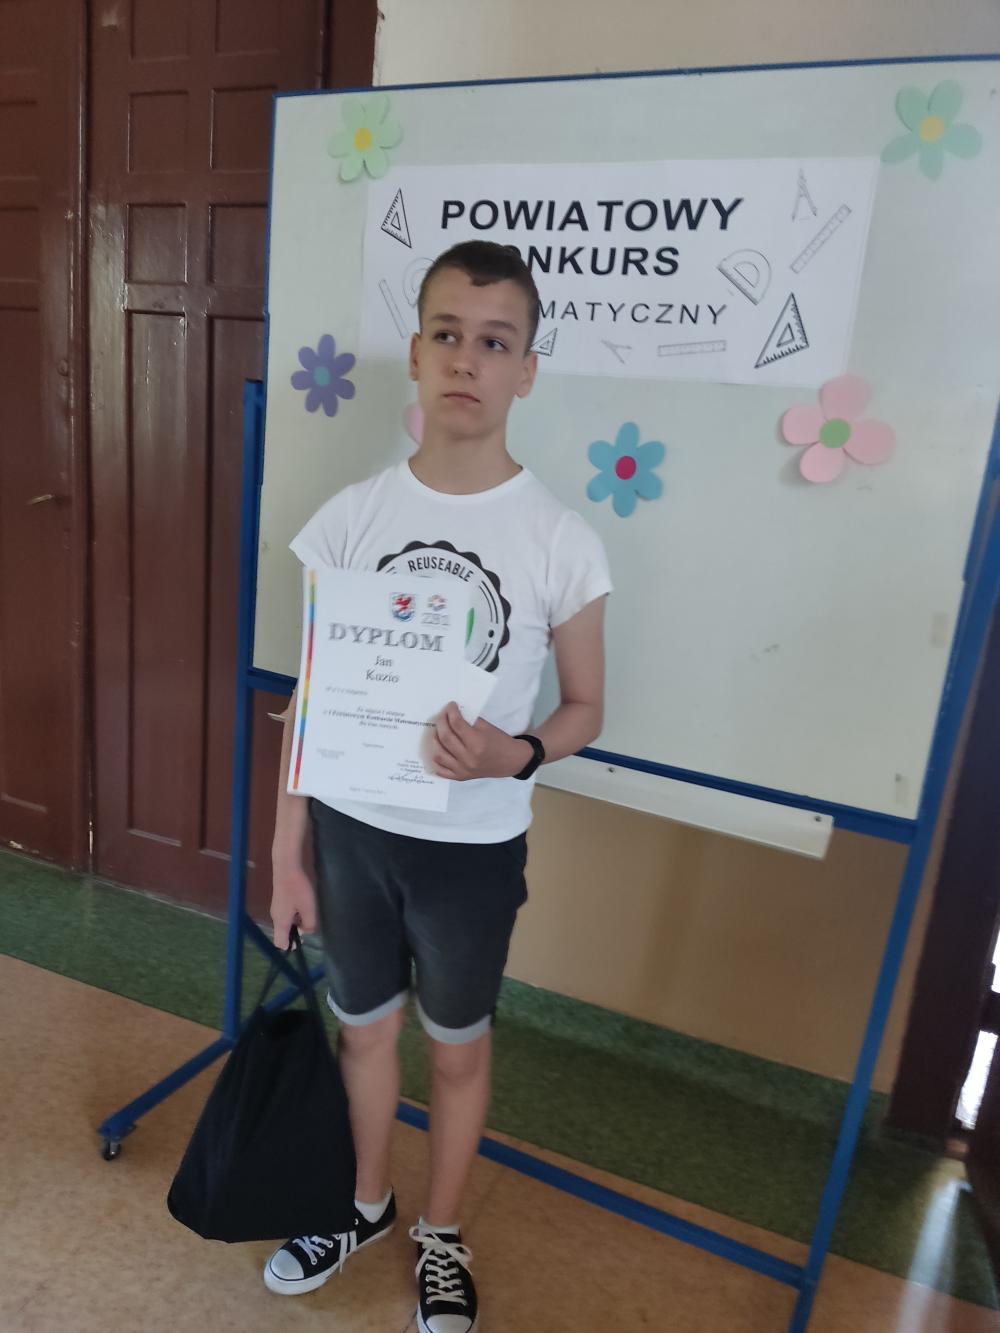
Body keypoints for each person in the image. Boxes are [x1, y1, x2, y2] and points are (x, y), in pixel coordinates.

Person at [264, 239, 612, 1333]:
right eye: (448, 335)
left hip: (469, 851)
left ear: (526, 370)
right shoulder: (351, 519)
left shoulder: (559, 539)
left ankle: (441, 1232)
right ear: (416, 354)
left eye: (495, 342)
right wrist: (286, 853)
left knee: (457, 1048)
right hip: (352, 834)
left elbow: (585, 707)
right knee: (364, 1030)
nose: (468, 359)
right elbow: (311, 700)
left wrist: (518, 753)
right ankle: (363, 1203)